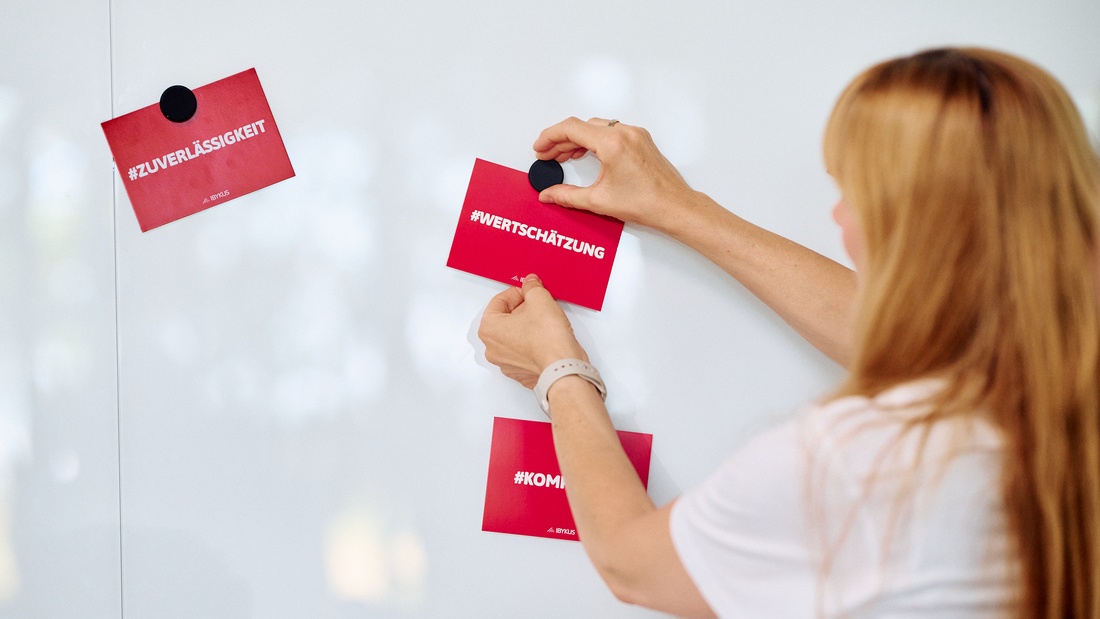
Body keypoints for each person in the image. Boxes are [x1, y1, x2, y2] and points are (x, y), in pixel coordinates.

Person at [477, 48, 1100, 619]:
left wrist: (557, 370)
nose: (836, 216)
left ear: (916, 226)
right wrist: (678, 207)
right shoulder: (1059, 389)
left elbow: (635, 565)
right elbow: (922, 341)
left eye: (854, 194)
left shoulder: (869, 460)